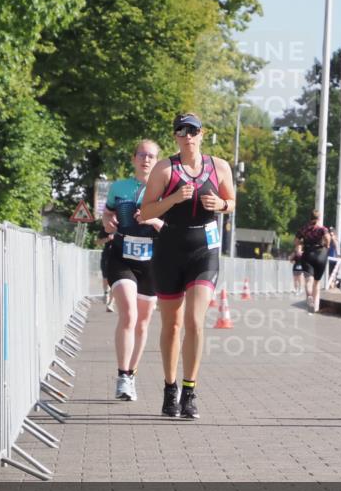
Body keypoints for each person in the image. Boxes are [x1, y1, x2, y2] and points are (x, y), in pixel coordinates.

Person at [140, 113, 236, 419]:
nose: (188, 136)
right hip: (169, 250)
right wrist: (173, 199)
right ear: (175, 137)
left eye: (192, 130)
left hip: (204, 250)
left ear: (201, 133)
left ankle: (189, 392)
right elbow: (145, 212)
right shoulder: (164, 169)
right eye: (181, 131)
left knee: (195, 320)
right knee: (172, 325)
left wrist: (221, 205)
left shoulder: (219, 167)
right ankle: (170, 389)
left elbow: (232, 202)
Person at [101, 140, 164, 401]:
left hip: (152, 261)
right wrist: (108, 222)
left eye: (151, 156)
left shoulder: (165, 190)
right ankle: (122, 376)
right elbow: (106, 217)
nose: (146, 160)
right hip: (122, 257)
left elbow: (171, 229)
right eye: (141, 155)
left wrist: (154, 220)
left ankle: (131, 374)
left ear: (158, 161)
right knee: (128, 314)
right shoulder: (119, 187)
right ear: (133, 158)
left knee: (142, 322)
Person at [295, 210, 330, 314]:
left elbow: (296, 241)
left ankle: (309, 299)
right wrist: (327, 245)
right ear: (319, 218)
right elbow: (327, 238)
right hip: (320, 255)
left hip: (308, 255)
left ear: (309, 217)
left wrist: (302, 244)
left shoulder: (303, 229)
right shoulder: (322, 229)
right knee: (317, 282)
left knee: (308, 281)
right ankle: (316, 307)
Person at [96, 227, 114, 311]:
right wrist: (107, 239)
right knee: (106, 277)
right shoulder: (106, 227)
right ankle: (106, 293)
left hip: (121, 257)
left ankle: (111, 303)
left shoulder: (126, 226)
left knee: (116, 281)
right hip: (107, 255)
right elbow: (97, 242)